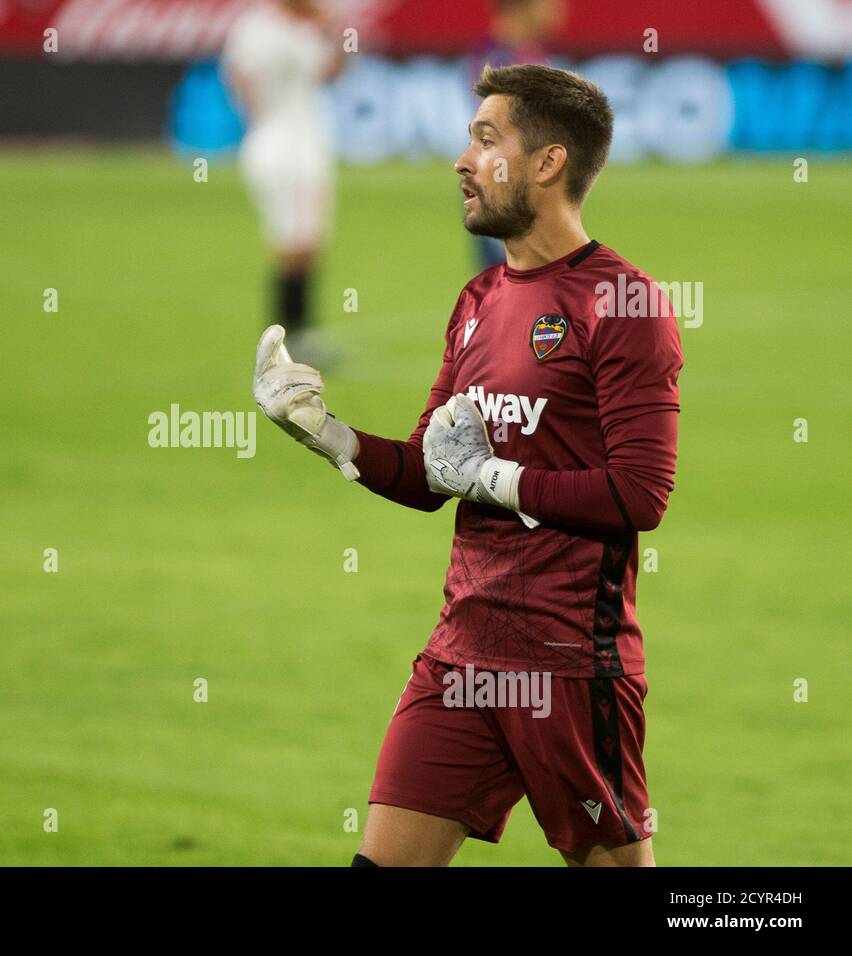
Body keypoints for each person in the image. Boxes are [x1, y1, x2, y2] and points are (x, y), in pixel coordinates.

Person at [251, 64, 683, 866]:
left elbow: (640, 494)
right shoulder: (481, 300)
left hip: (567, 666)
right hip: (461, 655)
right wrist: (325, 433)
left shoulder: (625, 306)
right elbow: (427, 474)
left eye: (487, 140)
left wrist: (496, 481)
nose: (461, 158)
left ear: (548, 163)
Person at [222, 0, 345, 366]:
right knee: (297, 243)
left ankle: (292, 338)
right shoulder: (272, 28)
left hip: (289, 143)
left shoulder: (260, 28)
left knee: (302, 242)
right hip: (287, 148)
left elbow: (236, 76)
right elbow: (330, 70)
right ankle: (288, 341)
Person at [468, 0, 564, 271]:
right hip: (504, 179)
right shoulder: (498, 56)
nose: (557, 10)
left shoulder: (528, 52)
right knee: (508, 279)